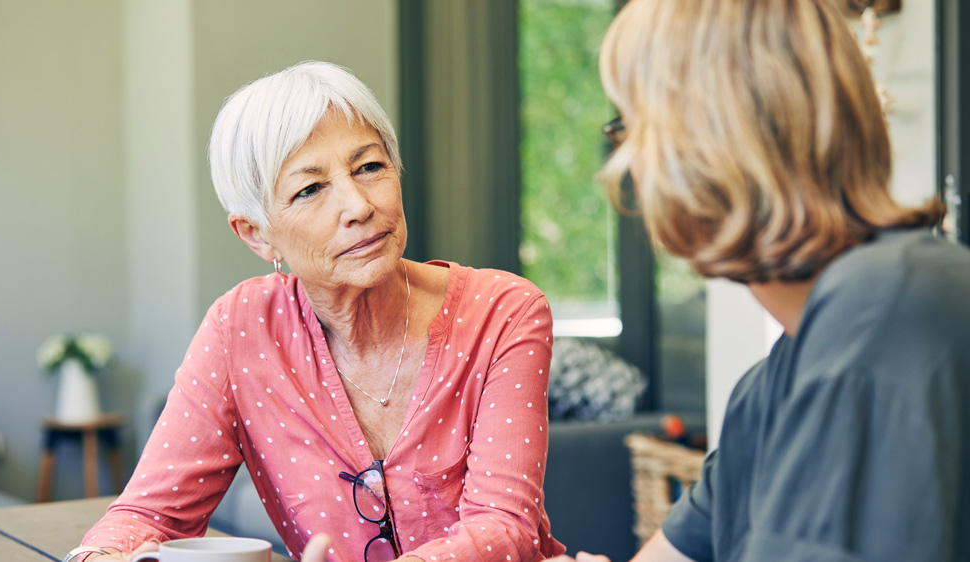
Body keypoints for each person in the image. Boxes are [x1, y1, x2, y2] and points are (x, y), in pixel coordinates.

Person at [69, 61, 565, 562]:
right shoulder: (240, 329)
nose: (358, 206)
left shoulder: (502, 311)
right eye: (310, 189)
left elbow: (505, 528)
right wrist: (100, 555)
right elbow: (151, 515)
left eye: (369, 167)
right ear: (257, 234)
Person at [550, 0, 970, 561]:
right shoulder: (768, 389)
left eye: (631, 128)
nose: (625, 165)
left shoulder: (884, 314)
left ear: (709, 138)